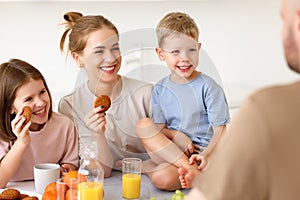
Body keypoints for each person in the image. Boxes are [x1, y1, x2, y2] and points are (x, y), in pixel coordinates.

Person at [179, 0, 300, 199]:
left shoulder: (267, 110)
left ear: (297, 25)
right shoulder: (162, 89)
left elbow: (220, 131)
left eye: (283, 19)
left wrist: (208, 171)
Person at [59, 11, 182, 190]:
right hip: (110, 187)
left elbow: (175, 149)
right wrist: (97, 134)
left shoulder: (146, 93)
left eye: (115, 48)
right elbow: (102, 171)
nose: (111, 58)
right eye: (99, 51)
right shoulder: (71, 105)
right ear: (78, 58)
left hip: (157, 181)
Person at [135, 11, 230, 189]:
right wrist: (176, 135)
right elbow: (160, 130)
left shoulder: (208, 87)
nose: (185, 58)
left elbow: (221, 132)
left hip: (203, 155)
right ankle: (189, 170)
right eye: (176, 51)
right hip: (174, 153)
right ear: (161, 53)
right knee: (143, 125)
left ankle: (193, 171)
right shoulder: (160, 89)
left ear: (199, 48)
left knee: (162, 178)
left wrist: (205, 156)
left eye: (191, 50)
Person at [0, 59, 79, 188]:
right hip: (16, 191)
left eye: (42, 92)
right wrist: (21, 142)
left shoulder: (65, 126)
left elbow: (71, 165)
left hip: (50, 190)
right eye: (29, 99)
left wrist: (67, 170)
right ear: (10, 108)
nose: (41, 103)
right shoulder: (3, 131)